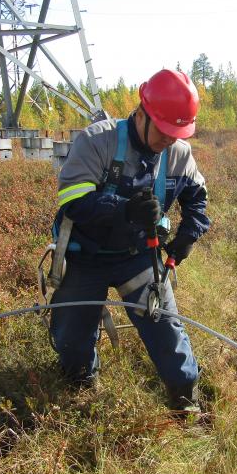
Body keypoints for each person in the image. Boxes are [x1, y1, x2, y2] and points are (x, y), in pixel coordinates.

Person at [49, 69, 210, 412]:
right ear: (142, 113)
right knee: (72, 341)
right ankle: (80, 393)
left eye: (176, 133)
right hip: (85, 255)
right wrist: (124, 211)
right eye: (165, 131)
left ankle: (185, 402)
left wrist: (188, 235)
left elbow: (198, 198)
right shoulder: (97, 141)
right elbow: (73, 199)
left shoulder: (179, 153)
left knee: (165, 329)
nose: (170, 140)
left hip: (138, 257)